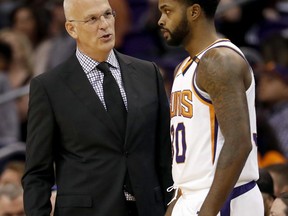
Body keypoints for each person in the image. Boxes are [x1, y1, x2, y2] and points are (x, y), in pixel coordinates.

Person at [21, 0, 173, 216]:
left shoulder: (149, 73)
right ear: (71, 28)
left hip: (150, 208)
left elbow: (165, 153)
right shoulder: (48, 87)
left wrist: (172, 205)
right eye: (92, 19)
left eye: (108, 15)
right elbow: (37, 173)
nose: (104, 24)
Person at [157, 0, 264, 215]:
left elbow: (239, 143)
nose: (161, 20)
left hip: (225, 198)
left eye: (168, 11)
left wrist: (208, 212)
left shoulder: (220, 61)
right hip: (192, 196)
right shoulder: (184, 68)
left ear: (194, 11)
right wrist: (176, 204)